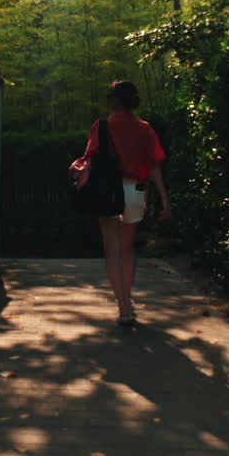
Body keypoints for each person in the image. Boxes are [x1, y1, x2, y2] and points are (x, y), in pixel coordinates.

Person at [80, 80, 170, 325]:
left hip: (107, 191)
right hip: (134, 191)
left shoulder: (102, 127)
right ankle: (128, 301)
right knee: (127, 249)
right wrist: (164, 198)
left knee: (112, 250)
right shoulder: (144, 128)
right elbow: (154, 165)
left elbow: (89, 158)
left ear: (115, 100)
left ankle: (123, 308)